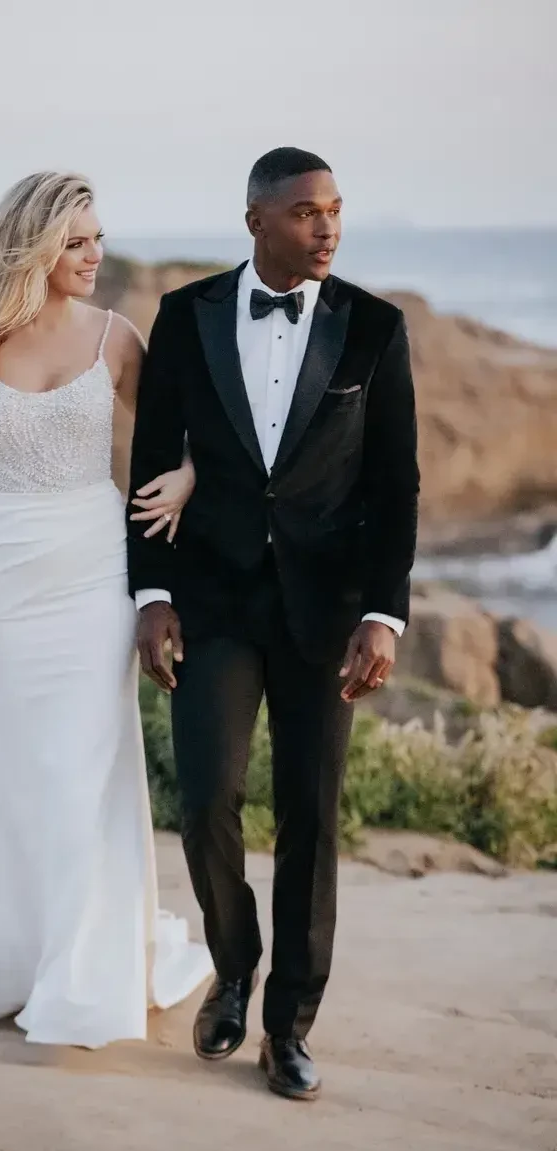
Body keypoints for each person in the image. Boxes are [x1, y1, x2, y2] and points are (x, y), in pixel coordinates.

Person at [127, 147, 419, 1098]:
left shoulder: (375, 329)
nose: (326, 226)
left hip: (325, 614)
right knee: (207, 797)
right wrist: (151, 595)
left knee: (312, 817)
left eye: (335, 209)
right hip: (212, 600)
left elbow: (395, 484)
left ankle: (288, 1027)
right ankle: (235, 961)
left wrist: (382, 614)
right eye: (304, 213)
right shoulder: (187, 316)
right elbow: (152, 456)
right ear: (257, 221)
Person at [0, 171, 212, 1049]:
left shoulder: (117, 339)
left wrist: (191, 476)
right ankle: (32, 950)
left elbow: (183, 431)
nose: (95, 254)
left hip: (93, 571)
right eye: (76, 241)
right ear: (35, 246)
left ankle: (88, 975)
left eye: (98, 238)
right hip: (3, 571)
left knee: (91, 763)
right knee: (26, 769)